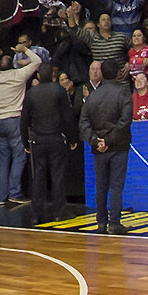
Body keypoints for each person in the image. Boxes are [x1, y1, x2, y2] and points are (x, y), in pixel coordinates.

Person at [0, 45, 42, 206]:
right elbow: (38, 61)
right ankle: (15, 193)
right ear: (13, 64)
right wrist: (24, 50)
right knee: (19, 157)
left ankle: (2, 197)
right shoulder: (19, 74)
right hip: (15, 120)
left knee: (3, 160)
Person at [80, 59, 133, 234]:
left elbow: (84, 123)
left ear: (101, 73)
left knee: (101, 185)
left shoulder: (92, 96)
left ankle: (101, 222)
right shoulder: (123, 93)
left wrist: (96, 141)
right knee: (116, 186)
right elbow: (125, 121)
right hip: (118, 146)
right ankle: (115, 223)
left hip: (99, 148)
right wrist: (108, 141)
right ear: (118, 72)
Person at [23, 66, 76, 217]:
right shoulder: (59, 91)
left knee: (38, 177)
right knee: (57, 175)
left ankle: (37, 212)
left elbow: (24, 120)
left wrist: (25, 142)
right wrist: (72, 138)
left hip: (38, 139)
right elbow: (68, 117)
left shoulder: (31, 93)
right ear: (53, 76)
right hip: (56, 137)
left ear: (38, 76)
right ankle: (59, 211)